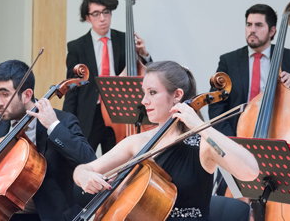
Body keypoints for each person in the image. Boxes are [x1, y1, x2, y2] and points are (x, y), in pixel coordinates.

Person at [73, 61, 259, 220]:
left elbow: (250, 171)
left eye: (152, 92)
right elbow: (84, 169)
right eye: (144, 92)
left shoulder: (203, 145)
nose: (144, 101)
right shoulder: (138, 142)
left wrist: (202, 127)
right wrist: (84, 176)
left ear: (177, 95)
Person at [0, 60, 97, 221]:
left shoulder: (63, 121)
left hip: (49, 216)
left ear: (26, 95)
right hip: (4, 214)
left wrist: (53, 126)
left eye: (5, 94)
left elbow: (90, 161)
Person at [63, 0, 151, 155]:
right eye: (96, 14)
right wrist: (67, 121)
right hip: (90, 113)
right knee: (85, 159)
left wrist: (144, 54)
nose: (102, 18)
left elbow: (146, 73)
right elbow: (72, 87)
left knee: (117, 160)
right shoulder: (77, 47)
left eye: (106, 12)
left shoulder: (125, 40)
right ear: (87, 18)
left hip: (118, 112)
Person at [209, 4, 290, 138]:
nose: (252, 30)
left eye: (258, 25)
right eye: (249, 24)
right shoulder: (228, 61)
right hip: (237, 136)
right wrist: (231, 141)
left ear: (272, 31)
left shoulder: (288, 57)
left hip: (278, 135)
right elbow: (216, 107)